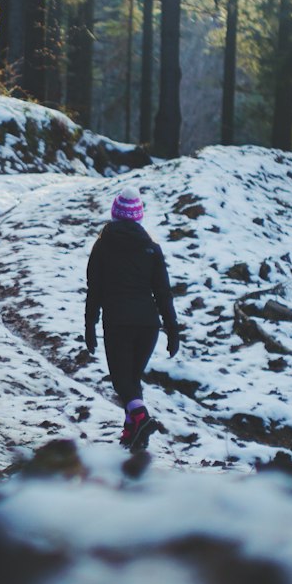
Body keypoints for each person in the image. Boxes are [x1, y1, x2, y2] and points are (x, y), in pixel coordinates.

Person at [84, 187, 180, 448]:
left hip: (118, 322)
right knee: (132, 381)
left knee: (122, 381)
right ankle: (133, 434)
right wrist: (173, 330)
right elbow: (163, 293)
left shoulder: (103, 246)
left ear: (115, 214)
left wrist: (89, 325)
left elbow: (95, 290)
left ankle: (140, 417)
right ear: (138, 217)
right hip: (148, 325)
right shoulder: (151, 248)